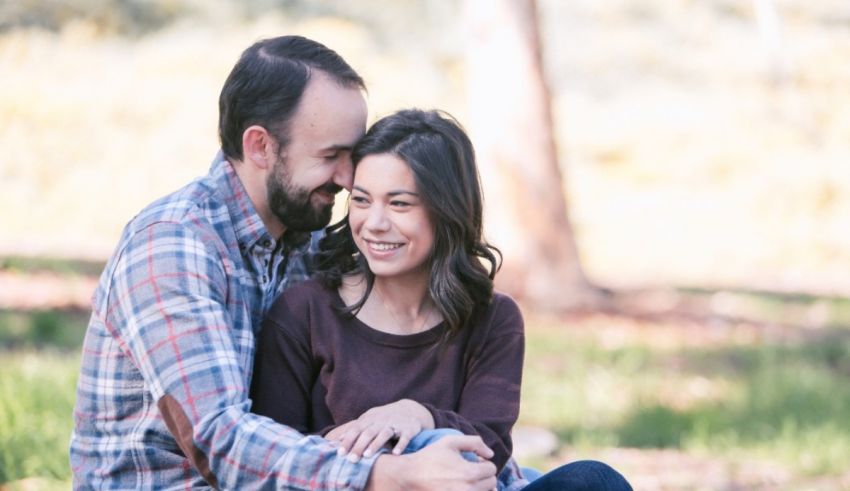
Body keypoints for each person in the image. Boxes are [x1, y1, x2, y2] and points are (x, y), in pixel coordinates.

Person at [70, 36, 497, 490]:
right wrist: (377, 476)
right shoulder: (173, 245)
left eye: (353, 156)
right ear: (260, 147)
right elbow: (219, 441)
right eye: (331, 156)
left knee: (577, 480)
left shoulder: (308, 239)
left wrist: (424, 425)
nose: (349, 178)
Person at [251, 109, 633, 491]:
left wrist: (417, 414)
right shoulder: (304, 313)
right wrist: (392, 453)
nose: (374, 223)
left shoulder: (493, 317)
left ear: (446, 211)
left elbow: (489, 450)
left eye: (399, 204)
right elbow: (276, 456)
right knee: (432, 450)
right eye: (362, 200)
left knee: (592, 480)